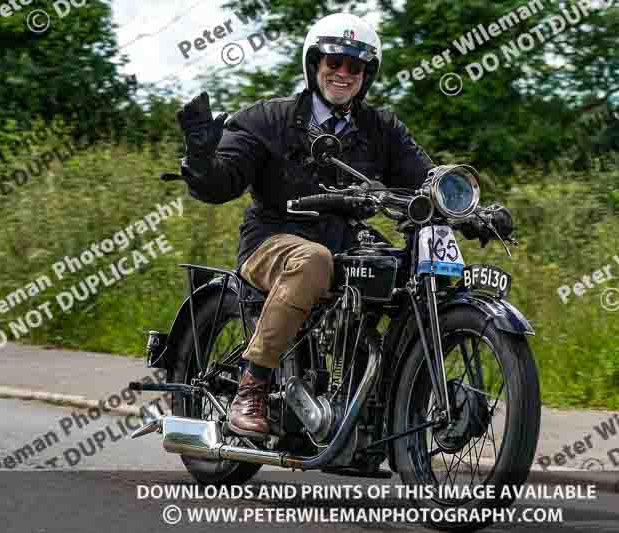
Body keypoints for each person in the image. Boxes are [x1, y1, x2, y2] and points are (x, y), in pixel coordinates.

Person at [168, 13, 434, 439]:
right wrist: (201, 161)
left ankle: (388, 399)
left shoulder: (381, 128)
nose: (343, 73)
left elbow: (425, 178)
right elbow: (224, 181)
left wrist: (466, 204)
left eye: (355, 66)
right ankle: (250, 388)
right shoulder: (267, 119)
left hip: (348, 241)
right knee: (313, 260)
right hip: (273, 238)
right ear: (314, 64)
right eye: (334, 61)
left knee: (410, 269)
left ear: (367, 75)